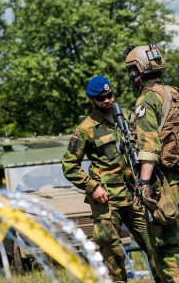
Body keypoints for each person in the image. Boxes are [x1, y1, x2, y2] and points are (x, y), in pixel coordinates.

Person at [62, 75, 158, 282]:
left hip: (135, 194)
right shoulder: (86, 129)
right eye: (101, 98)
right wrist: (92, 187)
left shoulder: (129, 118)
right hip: (106, 199)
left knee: (155, 243)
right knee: (112, 252)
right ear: (92, 101)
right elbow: (69, 165)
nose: (107, 100)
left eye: (109, 95)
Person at [125, 44, 179, 282]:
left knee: (165, 247)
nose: (130, 78)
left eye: (131, 72)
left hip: (164, 181)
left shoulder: (147, 100)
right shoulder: (177, 93)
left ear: (139, 71)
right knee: (174, 241)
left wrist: (144, 183)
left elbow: (149, 146)